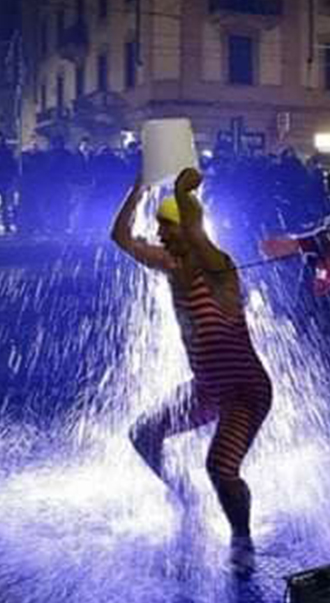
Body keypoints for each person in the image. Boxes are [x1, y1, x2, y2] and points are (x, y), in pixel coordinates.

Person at [112, 167, 272, 577]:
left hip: (244, 390)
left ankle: (242, 539)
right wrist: (138, 191)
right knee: (143, 433)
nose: (162, 235)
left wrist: (184, 194)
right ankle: (187, 497)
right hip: (207, 388)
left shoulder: (219, 269)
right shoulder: (170, 266)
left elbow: (199, 237)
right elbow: (122, 239)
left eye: (169, 228)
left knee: (220, 466)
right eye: (160, 227)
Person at [261, 157, 330, 383]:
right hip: (327, 309)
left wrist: (297, 244)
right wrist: (301, 311)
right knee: (328, 369)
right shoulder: (329, 221)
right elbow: (312, 266)